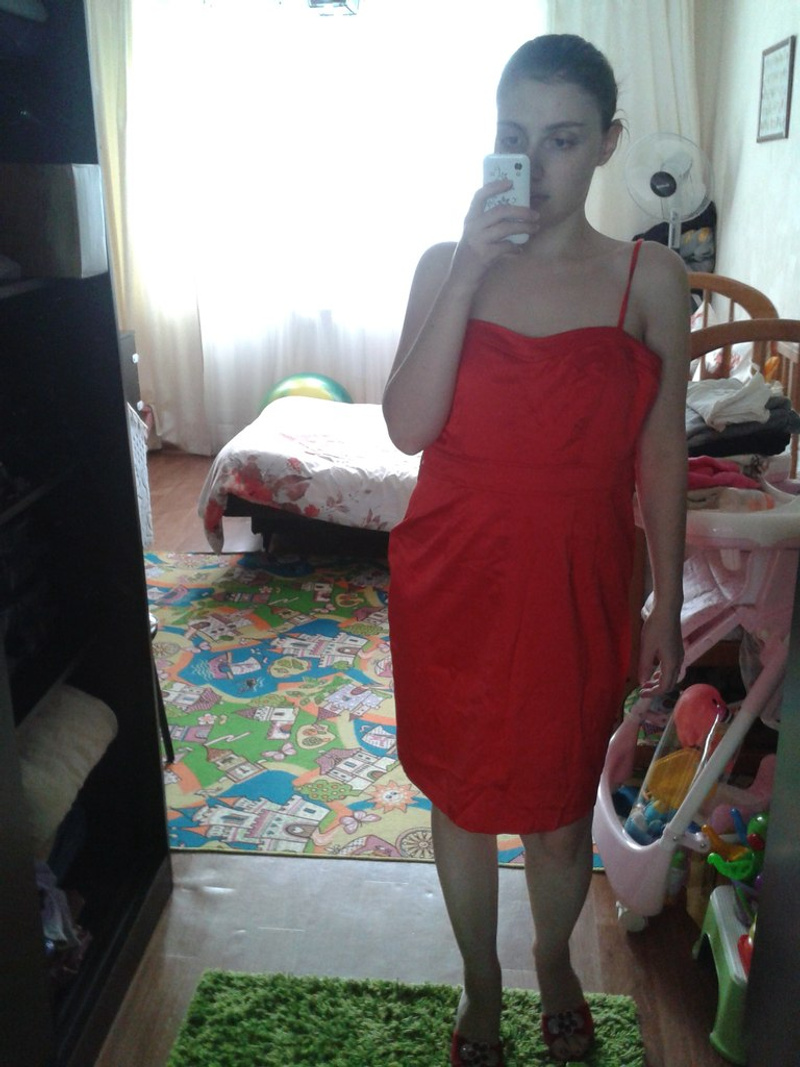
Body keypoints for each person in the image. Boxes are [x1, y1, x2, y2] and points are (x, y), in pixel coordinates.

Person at [382, 34, 688, 1065]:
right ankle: (480, 983)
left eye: (562, 139)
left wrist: (665, 602)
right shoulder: (444, 264)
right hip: (454, 574)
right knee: (462, 799)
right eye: (514, 137)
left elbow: (660, 450)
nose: (536, 162)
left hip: (577, 579)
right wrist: (471, 267)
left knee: (558, 811)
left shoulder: (650, 277)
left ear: (605, 143)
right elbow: (406, 428)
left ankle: (552, 958)